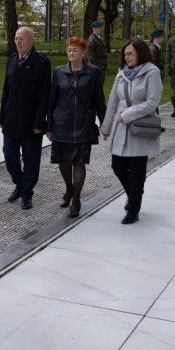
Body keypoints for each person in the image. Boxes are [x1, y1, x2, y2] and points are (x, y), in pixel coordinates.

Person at [101, 38, 162, 225]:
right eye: (125, 54)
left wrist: (128, 114)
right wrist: (106, 127)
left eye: (130, 54)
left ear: (140, 53)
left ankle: (133, 209)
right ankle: (134, 194)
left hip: (139, 128)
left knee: (136, 173)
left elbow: (153, 102)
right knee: (117, 166)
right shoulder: (121, 74)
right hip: (120, 127)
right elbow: (112, 101)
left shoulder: (152, 72)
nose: (126, 57)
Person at [46, 37, 106, 218]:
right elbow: (51, 100)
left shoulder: (93, 72)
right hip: (61, 123)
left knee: (79, 162)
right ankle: (69, 189)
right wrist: (48, 126)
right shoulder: (59, 72)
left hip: (83, 124)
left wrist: (105, 124)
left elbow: (99, 100)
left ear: (84, 53)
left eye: (75, 50)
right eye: (69, 50)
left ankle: (76, 199)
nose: (71, 53)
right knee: (63, 162)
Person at [0, 27, 51, 210]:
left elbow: (44, 95)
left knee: (31, 159)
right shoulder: (12, 60)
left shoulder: (41, 62)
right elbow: (6, 90)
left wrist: (40, 122)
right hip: (11, 119)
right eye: (16, 38)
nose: (18, 41)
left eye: (21, 38)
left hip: (31, 122)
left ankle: (27, 193)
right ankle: (19, 183)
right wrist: (2, 116)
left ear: (31, 41)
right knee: (9, 154)